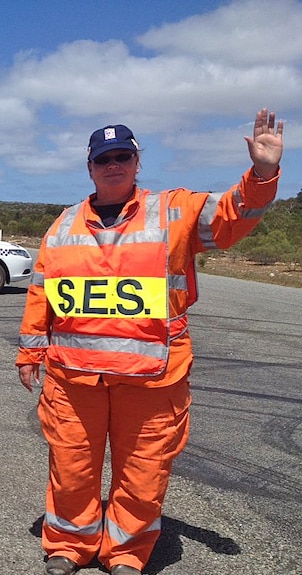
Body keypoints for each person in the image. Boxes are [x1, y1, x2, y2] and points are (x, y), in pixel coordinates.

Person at [16, 108, 283, 575]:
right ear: (91, 168)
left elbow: (232, 216)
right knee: (72, 467)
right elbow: (42, 289)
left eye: (123, 156)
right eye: (104, 159)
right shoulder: (61, 226)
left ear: (138, 162)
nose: (113, 165)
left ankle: (125, 552)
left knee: (143, 471)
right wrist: (30, 349)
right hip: (73, 377)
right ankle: (67, 545)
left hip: (153, 377)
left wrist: (261, 173)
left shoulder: (175, 211)